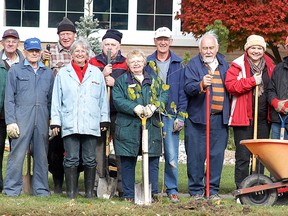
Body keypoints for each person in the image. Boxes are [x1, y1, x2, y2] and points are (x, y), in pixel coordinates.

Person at [50, 38, 110, 199]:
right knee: (71, 158)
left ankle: (89, 193)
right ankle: (71, 192)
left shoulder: (96, 73)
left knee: (90, 159)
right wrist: (55, 120)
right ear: (72, 54)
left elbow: (103, 99)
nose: (80, 54)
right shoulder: (63, 73)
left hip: (91, 122)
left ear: (87, 54)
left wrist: (104, 118)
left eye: (83, 51)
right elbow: (56, 99)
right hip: (70, 121)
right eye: (76, 51)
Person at [112, 49, 168, 201]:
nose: (136, 64)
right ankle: (128, 194)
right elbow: (117, 99)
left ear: (144, 63)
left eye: (139, 61)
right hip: (128, 127)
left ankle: (152, 192)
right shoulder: (122, 81)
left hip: (151, 126)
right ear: (128, 64)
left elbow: (164, 94)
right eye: (132, 62)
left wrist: (155, 106)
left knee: (152, 161)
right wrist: (133, 107)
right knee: (128, 162)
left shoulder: (154, 80)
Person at [3, 37, 54, 196]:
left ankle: (41, 190)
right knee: (17, 155)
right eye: (31, 51)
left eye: (36, 51)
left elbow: (52, 99)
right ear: (24, 51)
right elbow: (9, 98)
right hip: (21, 118)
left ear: (40, 52)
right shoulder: (16, 70)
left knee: (41, 155)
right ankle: (11, 189)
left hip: (42, 118)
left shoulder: (47, 72)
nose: (34, 53)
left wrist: (53, 121)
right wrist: (11, 121)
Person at [184, 31, 230, 200]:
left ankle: (213, 190)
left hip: (219, 118)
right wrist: (201, 84)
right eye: (205, 48)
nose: (208, 51)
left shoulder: (225, 65)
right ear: (200, 49)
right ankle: (196, 191)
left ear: (217, 48)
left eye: (211, 48)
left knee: (217, 155)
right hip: (198, 118)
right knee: (196, 156)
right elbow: (188, 87)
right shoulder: (193, 65)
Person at [225, 35, 275, 189]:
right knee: (243, 156)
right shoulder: (237, 64)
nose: (256, 51)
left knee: (260, 156)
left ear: (263, 50)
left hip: (263, 118)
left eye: (259, 48)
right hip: (243, 118)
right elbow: (231, 85)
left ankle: (257, 187)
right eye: (253, 48)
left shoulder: (270, 65)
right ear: (247, 49)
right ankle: (241, 188)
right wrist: (252, 81)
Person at [145, 27, 187, 203]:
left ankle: (171, 189)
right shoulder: (147, 63)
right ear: (155, 41)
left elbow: (183, 93)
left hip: (171, 115)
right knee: (152, 153)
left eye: (166, 39)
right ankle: (152, 189)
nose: (163, 42)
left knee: (171, 155)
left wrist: (181, 117)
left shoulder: (178, 64)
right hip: (152, 114)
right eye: (159, 39)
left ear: (171, 41)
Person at [89, 29, 128, 197]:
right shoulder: (93, 61)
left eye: (113, 44)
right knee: (98, 149)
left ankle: (120, 185)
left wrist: (115, 81)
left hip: (117, 112)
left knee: (120, 148)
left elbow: (130, 86)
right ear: (102, 46)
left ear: (119, 46)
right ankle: (99, 182)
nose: (110, 47)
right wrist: (101, 74)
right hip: (98, 112)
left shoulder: (126, 63)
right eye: (107, 44)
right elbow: (86, 82)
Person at [42, 16, 78, 194]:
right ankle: (57, 183)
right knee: (56, 145)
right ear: (58, 35)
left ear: (74, 35)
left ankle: (74, 182)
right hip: (56, 105)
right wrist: (43, 60)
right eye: (62, 34)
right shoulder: (50, 53)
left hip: (76, 107)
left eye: (68, 33)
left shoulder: (81, 51)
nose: (65, 37)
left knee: (73, 145)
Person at [0, 29, 25, 193]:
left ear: (18, 44)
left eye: (13, 41)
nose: (10, 43)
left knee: (17, 152)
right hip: (0, 115)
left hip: (19, 114)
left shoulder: (24, 63)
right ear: (2, 43)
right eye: (7, 40)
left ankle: (14, 185)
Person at [267, 37, 288, 139]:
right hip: (279, 121)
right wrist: (275, 103)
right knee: (278, 154)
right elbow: (270, 90)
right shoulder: (279, 68)